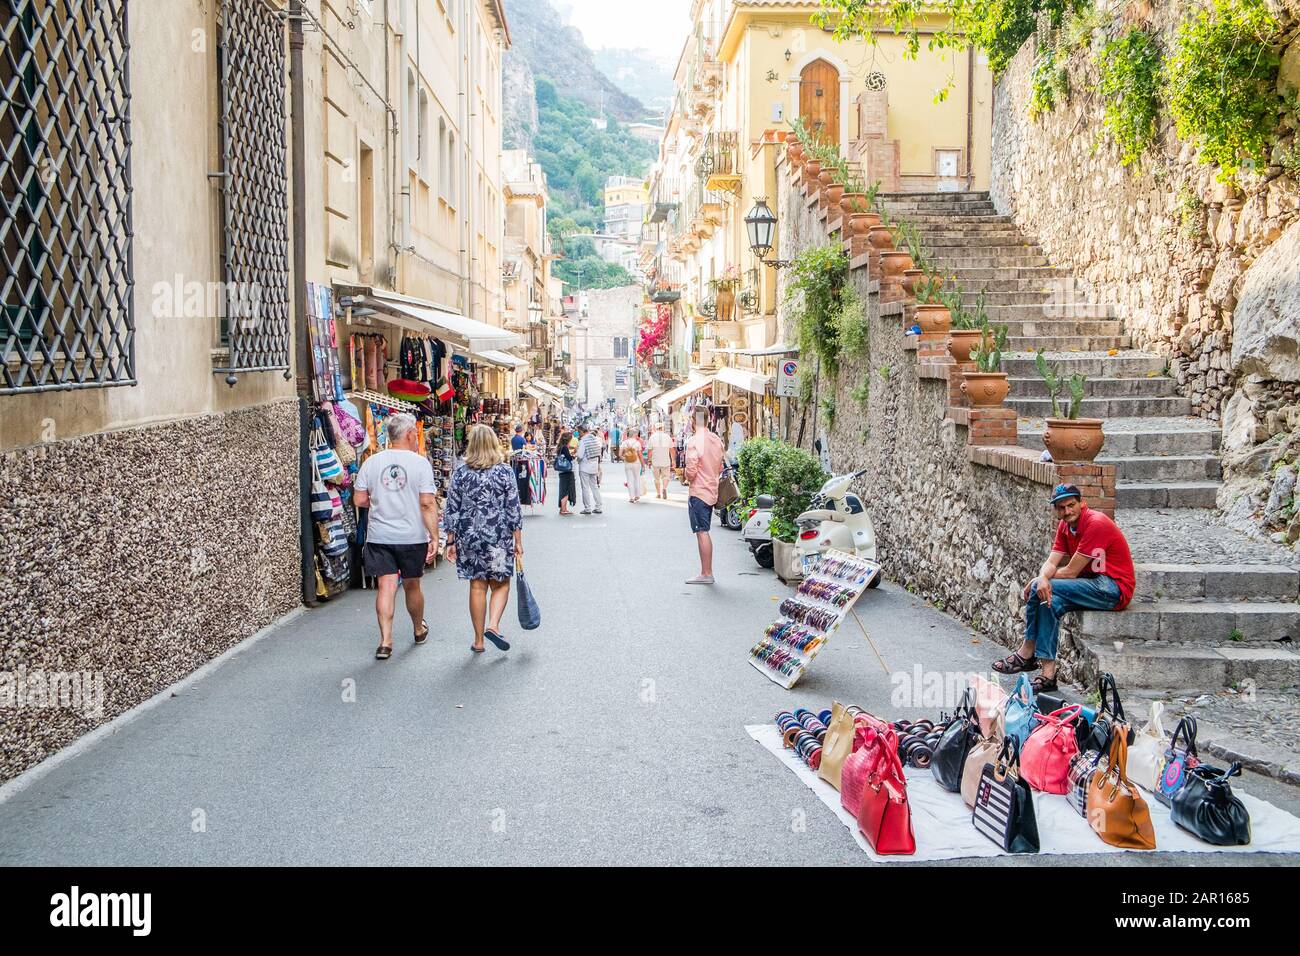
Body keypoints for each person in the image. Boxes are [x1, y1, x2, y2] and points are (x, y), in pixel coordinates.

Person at [993, 484, 1135, 693]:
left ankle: (1027, 652)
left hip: (1113, 588)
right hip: (1090, 584)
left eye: (1071, 505)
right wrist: (1041, 577)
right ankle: (1048, 675)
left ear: (1081, 503)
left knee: (1039, 589)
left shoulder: (1096, 524)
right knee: (1049, 600)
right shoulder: (1065, 526)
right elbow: (1052, 563)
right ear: (1056, 510)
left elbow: (1070, 572)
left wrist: (1037, 581)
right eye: (1061, 508)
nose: (1067, 511)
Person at [353, 412, 438, 660]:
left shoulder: (372, 462)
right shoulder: (420, 463)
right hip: (412, 536)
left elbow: (359, 499)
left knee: (386, 586)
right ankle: (418, 629)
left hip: (380, 535)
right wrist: (434, 536)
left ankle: (386, 641)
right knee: (412, 585)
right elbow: (426, 503)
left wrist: (380, 503)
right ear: (411, 434)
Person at [443, 424, 524, 654]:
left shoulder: (461, 472)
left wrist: (450, 541)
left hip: (469, 537)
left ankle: (478, 641)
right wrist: (518, 540)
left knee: (477, 585)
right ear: (493, 443)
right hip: (498, 536)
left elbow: (452, 508)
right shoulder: (504, 471)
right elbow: (513, 508)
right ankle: (493, 625)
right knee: (501, 583)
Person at [684, 409, 725, 585]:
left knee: (702, 531)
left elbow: (691, 472)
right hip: (712, 489)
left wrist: (686, 474)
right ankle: (706, 572)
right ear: (708, 420)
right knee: (704, 530)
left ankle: (706, 573)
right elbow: (720, 467)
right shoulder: (716, 439)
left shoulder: (694, 441)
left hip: (699, 491)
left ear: (694, 420)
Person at [577, 422, 604, 515]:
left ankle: (587, 508)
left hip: (585, 467)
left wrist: (577, 459)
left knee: (585, 488)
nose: (579, 434)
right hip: (594, 466)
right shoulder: (595, 439)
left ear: (581, 431)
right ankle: (598, 506)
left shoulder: (583, 441)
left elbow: (580, 455)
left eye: (579, 432)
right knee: (595, 487)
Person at [647, 422, 673, 499]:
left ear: (655, 428)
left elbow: (650, 451)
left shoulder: (652, 437)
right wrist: (674, 460)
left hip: (655, 461)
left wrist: (649, 460)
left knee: (656, 478)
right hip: (665, 461)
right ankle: (664, 488)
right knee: (666, 477)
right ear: (663, 428)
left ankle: (658, 494)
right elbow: (672, 450)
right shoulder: (667, 437)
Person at [555, 429, 577, 516]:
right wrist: (574, 455)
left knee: (563, 488)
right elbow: (569, 458)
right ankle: (564, 509)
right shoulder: (564, 447)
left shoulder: (560, 447)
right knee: (566, 489)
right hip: (567, 471)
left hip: (562, 471)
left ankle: (562, 508)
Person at [620, 427, 645, 502]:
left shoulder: (624, 443)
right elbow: (640, 455)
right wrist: (643, 465)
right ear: (634, 435)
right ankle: (637, 496)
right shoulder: (637, 443)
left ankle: (631, 497)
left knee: (629, 480)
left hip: (628, 463)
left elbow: (620, 454)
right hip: (636, 463)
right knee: (636, 479)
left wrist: (626, 459)